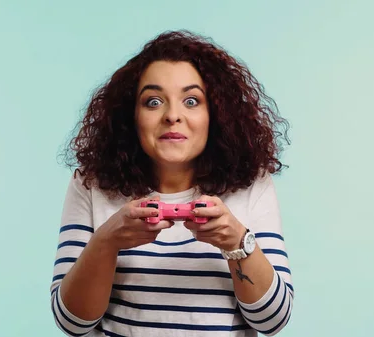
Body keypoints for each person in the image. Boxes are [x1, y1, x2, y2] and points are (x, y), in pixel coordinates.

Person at [50, 30, 294, 337]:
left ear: (215, 114)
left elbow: (273, 322)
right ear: (131, 116)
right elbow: (72, 323)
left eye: (191, 101)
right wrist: (107, 240)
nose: (172, 116)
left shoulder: (252, 186)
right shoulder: (90, 185)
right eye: (153, 102)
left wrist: (236, 242)